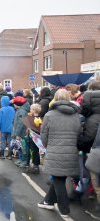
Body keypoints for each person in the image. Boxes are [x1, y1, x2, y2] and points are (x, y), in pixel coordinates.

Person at [38, 89, 81, 218]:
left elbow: (44, 135)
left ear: (55, 99)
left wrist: (47, 146)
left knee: (58, 179)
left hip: (55, 150)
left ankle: (64, 209)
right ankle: (48, 201)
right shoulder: (76, 115)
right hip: (71, 151)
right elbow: (79, 133)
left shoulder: (49, 115)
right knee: (59, 177)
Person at [11, 96, 30, 164]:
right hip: (20, 133)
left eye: (14, 103)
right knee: (20, 147)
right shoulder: (20, 110)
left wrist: (17, 134)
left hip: (22, 133)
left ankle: (24, 161)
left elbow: (20, 123)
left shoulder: (22, 111)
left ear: (17, 104)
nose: (13, 104)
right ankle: (21, 159)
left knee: (23, 148)